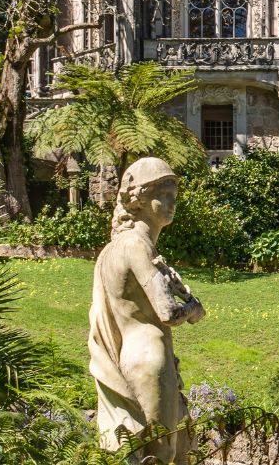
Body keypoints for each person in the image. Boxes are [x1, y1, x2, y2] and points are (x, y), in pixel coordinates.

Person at [88, 157, 205, 463]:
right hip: (151, 358)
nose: (171, 203)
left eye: (174, 196)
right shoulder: (137, 246)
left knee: (158, 451)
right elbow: (167, 312)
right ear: (139, 198)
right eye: (162, 195)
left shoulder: (112, 249)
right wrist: (192, 307)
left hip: (128, 356)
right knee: (161, 454)